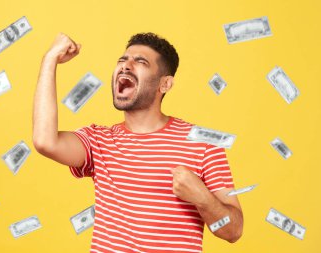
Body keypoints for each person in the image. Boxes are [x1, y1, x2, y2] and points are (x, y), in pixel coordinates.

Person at [33, 32, 243, 252]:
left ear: (165, 84)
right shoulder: (99, 141)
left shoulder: (203, 143)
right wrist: (50, 60)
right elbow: (44, 141)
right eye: (122, 60)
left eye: (140, 62)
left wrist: (203, 198)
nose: (126, 66)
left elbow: (233, 232)